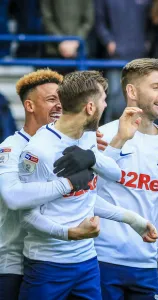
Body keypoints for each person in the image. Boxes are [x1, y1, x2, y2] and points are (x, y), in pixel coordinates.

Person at [53, 58, 158, 299]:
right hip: (100, 260)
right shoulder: (98, 136)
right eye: (155, 87)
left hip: (147, 265)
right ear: (131, 91)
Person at [12, 70, 157, 300]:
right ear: (90, 108)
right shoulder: (38, 151)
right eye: (103, 101)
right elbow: (26, 214)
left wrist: (134, 221)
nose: (106, 105)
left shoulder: (88, 137)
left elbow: (103, 183)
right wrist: (69, 233)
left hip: (87, 262)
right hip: (48, 264)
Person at [0, 69, 99, 300]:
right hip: (13, 263)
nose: (59, 105)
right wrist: (69, 183)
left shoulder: (69, 145)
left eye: (61, 100)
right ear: (29, 106)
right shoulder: (10, 148)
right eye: (51, 99)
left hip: (57, 260)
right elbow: (13, 197)